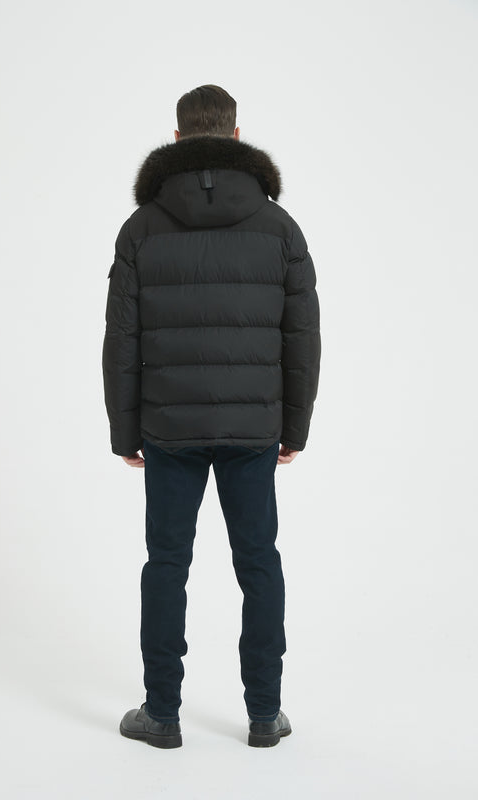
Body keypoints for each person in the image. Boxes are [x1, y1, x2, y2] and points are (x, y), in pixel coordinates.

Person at [102, 84, 321, 749]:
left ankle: (161, 715)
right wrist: (294, 428)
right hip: (253, 431)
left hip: (168, 429)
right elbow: (302, 338)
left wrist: (124, 431)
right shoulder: (279, 227)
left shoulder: (141, 228)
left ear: (177, 138)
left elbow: (121, 341)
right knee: (259, 562)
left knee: (166, 563)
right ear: (235, 136)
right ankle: (264, 716)